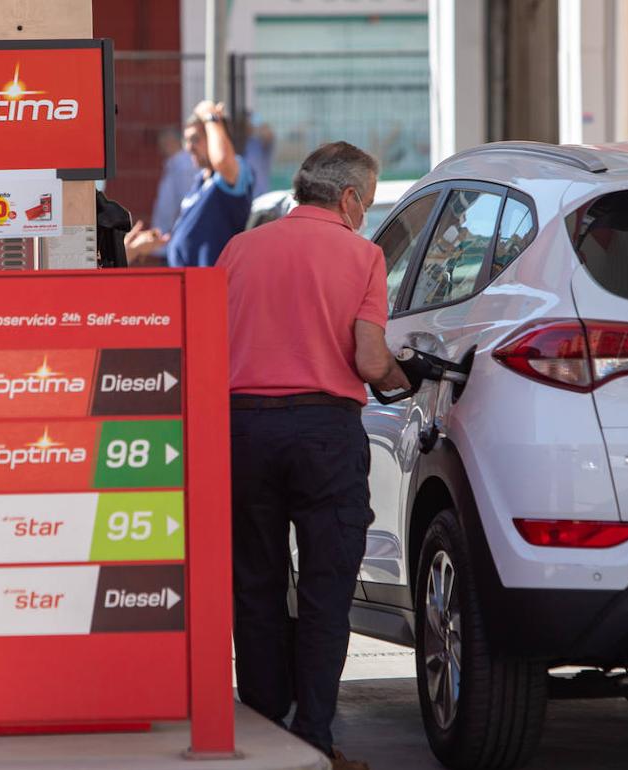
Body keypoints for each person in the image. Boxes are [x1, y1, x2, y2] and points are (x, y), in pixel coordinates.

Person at [217, 142, 410, 770]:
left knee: (256, 582)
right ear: (350, 199)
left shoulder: (240, 250)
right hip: (325, 433)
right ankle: (316, 739)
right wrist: (409, 381)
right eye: (370, 202)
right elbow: (370, 361)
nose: (368, 213)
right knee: (327, 589)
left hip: (242, 429)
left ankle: (263, 728)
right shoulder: (364, 255)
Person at [167, 100, 255, 267]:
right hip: (189, 284)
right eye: (186, 140)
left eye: (195, 139)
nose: (188, 147)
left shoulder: (235, 170)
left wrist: (210, 117)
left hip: (213, 287)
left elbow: (222, 160)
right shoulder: (201, 180)